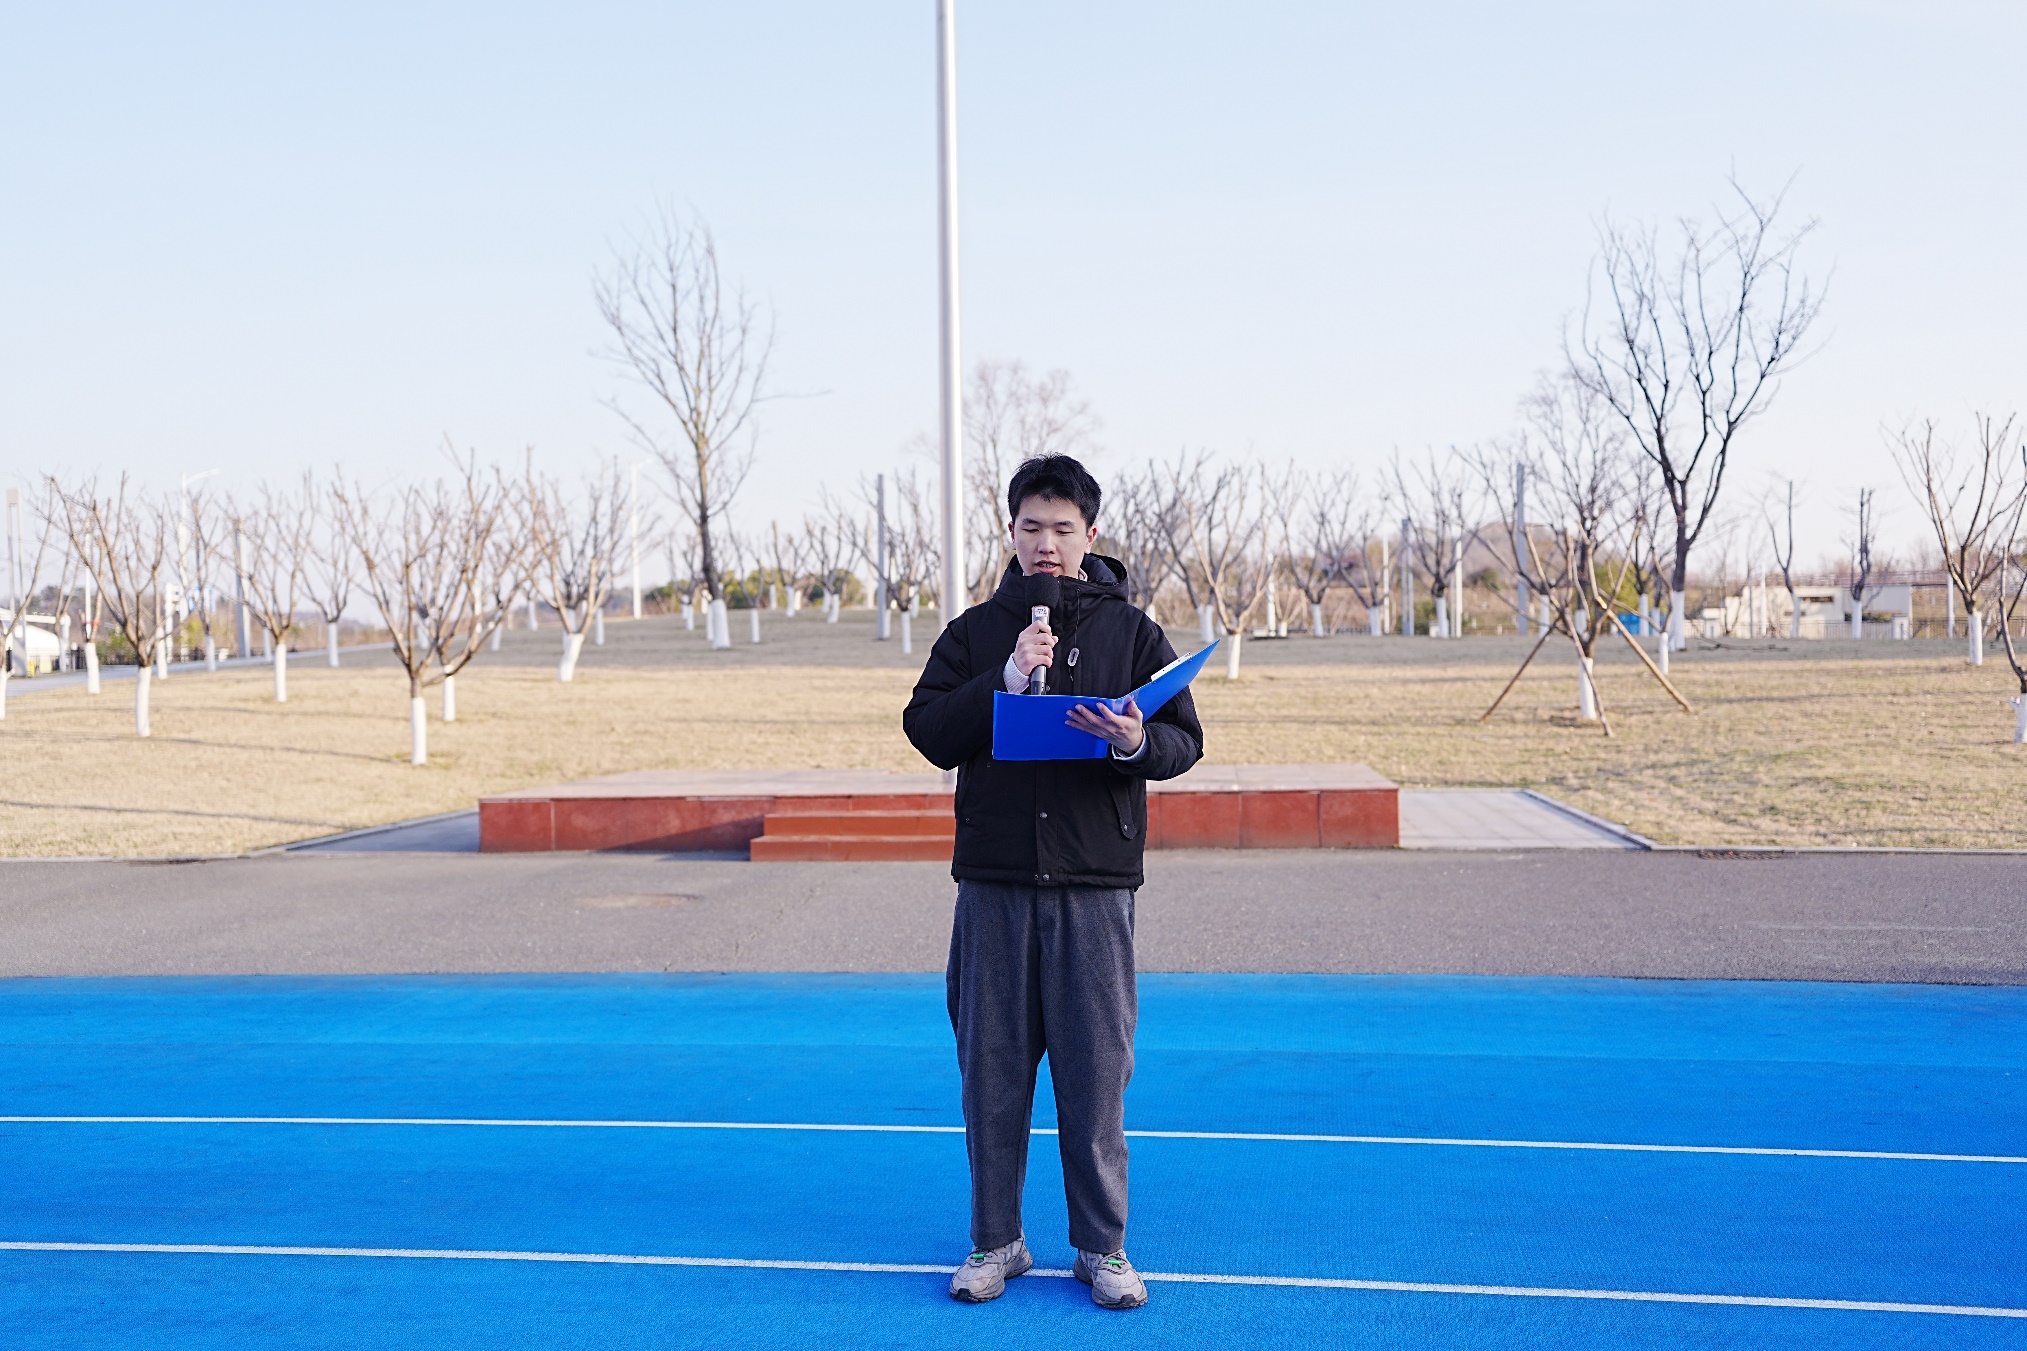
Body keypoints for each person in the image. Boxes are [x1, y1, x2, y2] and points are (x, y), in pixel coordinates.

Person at [903, 454, 1205, 1311]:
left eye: (1062, 528)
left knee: (1095, 1077)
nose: (1046, 542)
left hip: (1094, 886)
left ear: (1089, 534)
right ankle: (995, 1239)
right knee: (990, 1076)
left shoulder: (1133, 633)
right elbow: (926, 728)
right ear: (1010, 531)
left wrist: (1130, 741)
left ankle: (1101, 1248)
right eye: (1031, 526)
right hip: (993, 884)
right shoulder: (974, 632)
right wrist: (1001, 682)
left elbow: (1182, 741)